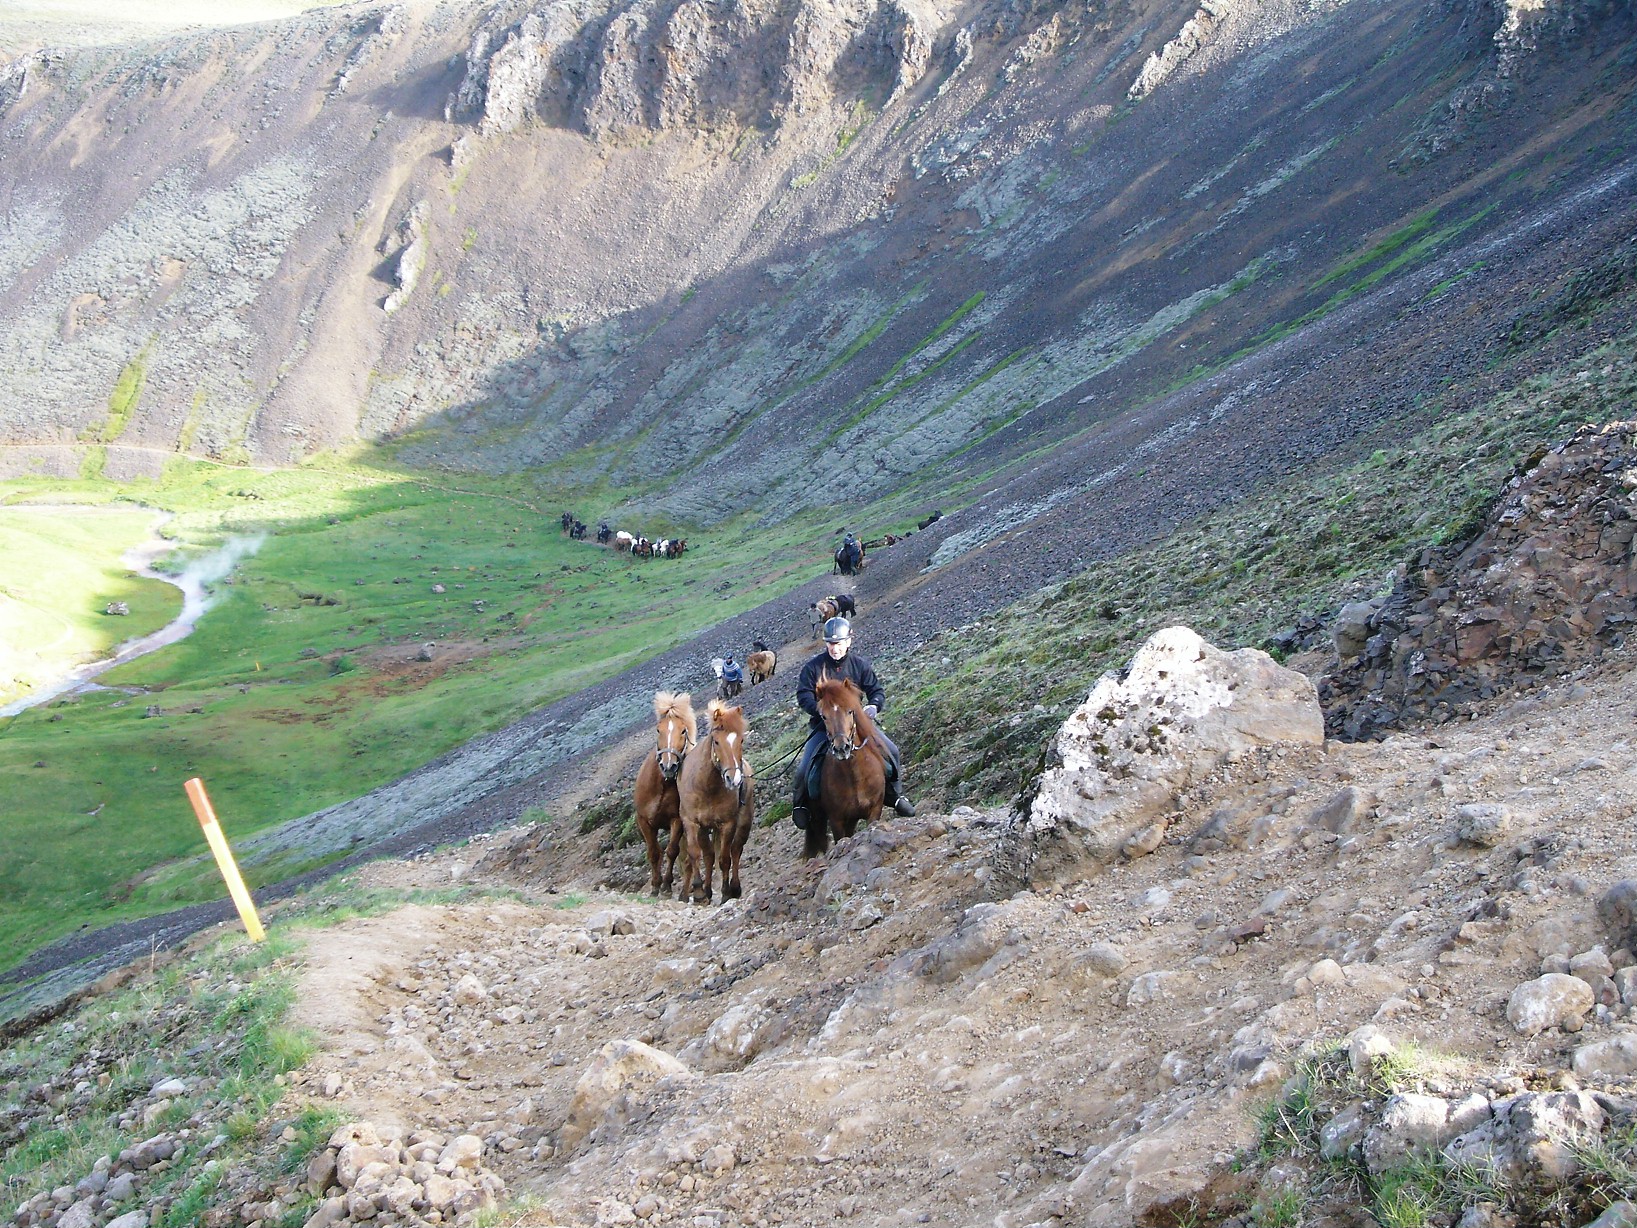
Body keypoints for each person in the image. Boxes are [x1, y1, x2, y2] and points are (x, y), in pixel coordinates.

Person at [791, 616, 915, 830]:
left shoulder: (859, 665)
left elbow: (876, 690)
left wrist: (874, 706)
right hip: (825, 726)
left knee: (892, 751)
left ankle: (896, 795)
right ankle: (801, 806)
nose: (834, 648)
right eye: (831, 643)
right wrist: (820, 710)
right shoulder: (813, 668)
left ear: (848, 641)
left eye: (838, 643)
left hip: (857, 724)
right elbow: (803, 694)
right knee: (804, 767)